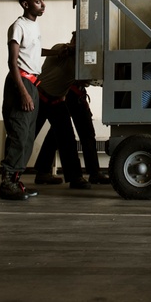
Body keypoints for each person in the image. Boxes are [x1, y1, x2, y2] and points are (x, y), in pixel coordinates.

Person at [0, 0, 48, 201]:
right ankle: (7, 184)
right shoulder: (18, 26)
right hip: (21, 84)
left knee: (27, 138)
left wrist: (58, 51)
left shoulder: (33, 27)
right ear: (26, 4)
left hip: (32, 85)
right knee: (18, 135)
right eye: (37, 1)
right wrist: (24, 94)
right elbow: (13, 63)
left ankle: (16, 181)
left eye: (43, 0)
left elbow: (36, 51)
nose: (42, 4)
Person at [31, 34, 94, 189]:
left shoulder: (80, 61)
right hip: (39, 98)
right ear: (72, 40)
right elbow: (66, 51)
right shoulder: (59, 48)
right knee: (26, 136)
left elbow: (85, 78)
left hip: (57, 102)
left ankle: (75, 178)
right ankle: (11, 175)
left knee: (67, 139)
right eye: (76, 41)